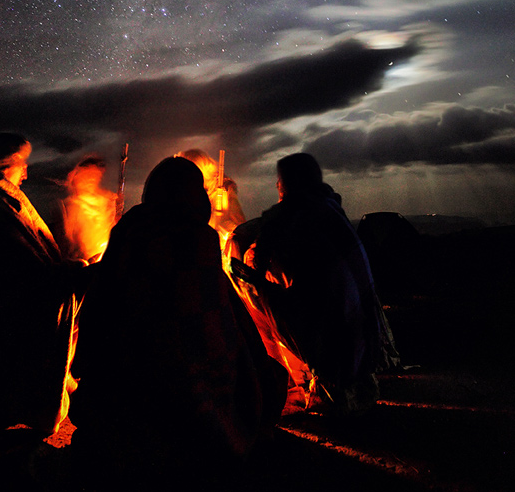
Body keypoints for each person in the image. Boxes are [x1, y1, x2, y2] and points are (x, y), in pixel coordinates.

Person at [69, 157, 285, 490]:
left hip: (127, 396)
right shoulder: (200, 240)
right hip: (191, 401)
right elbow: (217, 328)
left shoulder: (127, 233)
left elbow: (99, 313)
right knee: (262, 378)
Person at [0, 133, 81, 435]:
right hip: (8, 312)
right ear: (3, 165)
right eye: (22, 164)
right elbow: (27, 271)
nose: (26, 173)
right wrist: (78, 271)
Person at [242, 152, 391, 413]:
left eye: (279, 182)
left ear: (286, 183)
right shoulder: (331, 207)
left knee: (248, 278)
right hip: (367, 340)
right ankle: (343, 377)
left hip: (331, 340)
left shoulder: (289, 213)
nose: (277, 187)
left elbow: (258, 259)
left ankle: (290, 371)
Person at [57, 155, 118, 263]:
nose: (91, 179)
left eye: (95, 175)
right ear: (76, 176)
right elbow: (65, 242)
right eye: (87, 174)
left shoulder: (106, 203)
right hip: (79, 265)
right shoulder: (68, 207)